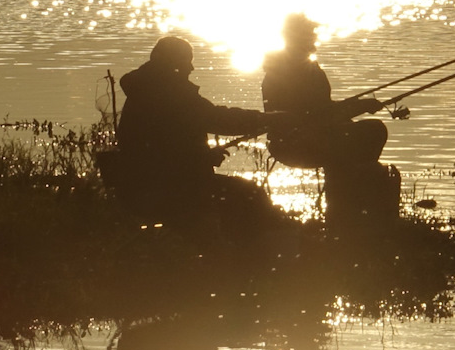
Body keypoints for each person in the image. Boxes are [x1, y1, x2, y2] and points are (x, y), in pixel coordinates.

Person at [110, 34, 272, 224]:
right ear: (174, 66)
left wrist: (203, 157)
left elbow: (162, 149)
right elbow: (219, 119)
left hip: (138, 189)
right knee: (252, 195)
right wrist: (267, 119)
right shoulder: (172, 95)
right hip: (172, 190)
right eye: (187, 62)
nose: (191, 68)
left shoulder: (143, 90)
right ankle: (247, 249)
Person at [260, 14, 398, 230]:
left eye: (312, 35)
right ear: (295, 38)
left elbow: (324, 109)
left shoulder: (305, 69)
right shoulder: (290, 72)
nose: (313, 40)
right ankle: (345, 210)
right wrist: (359, 107)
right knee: (369, 133)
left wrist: (355, 109)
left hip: (304, 138)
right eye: (309, 36)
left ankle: (351, 205)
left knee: (368, 132)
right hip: (297, 144)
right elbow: (316, 115)